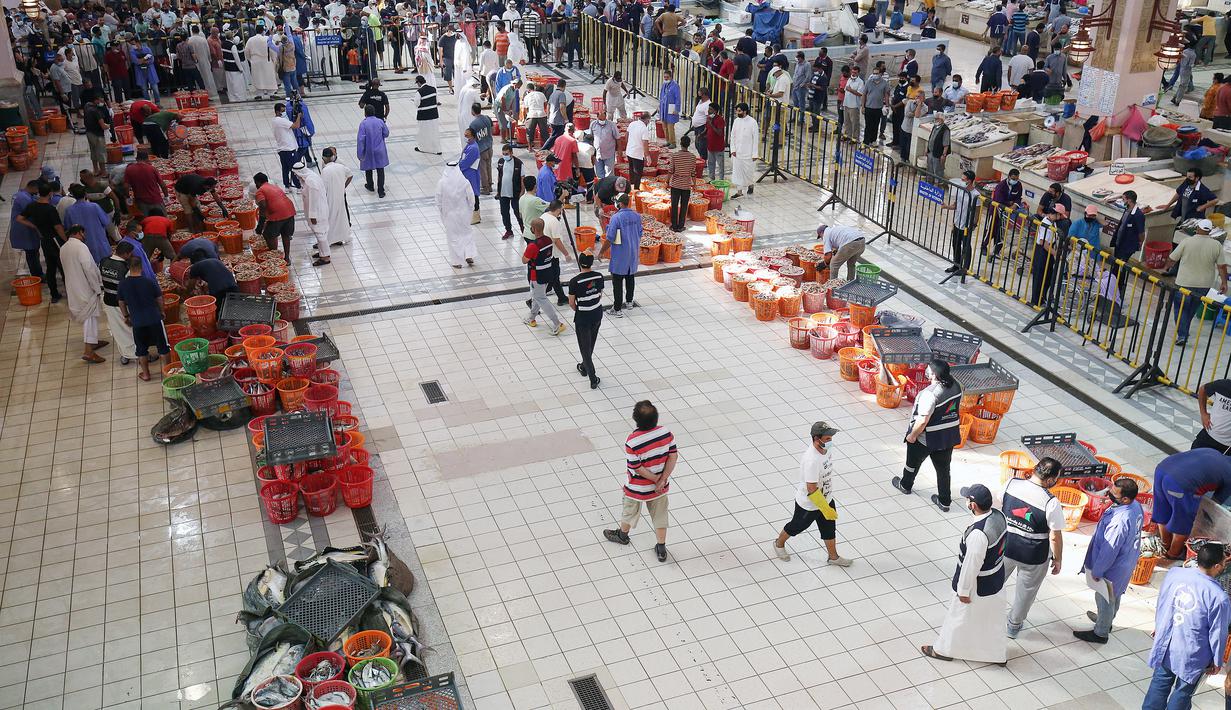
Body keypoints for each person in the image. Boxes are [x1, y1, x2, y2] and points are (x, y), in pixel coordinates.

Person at [921, 484, 1008, 665]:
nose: (966, 501)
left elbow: (971, 565)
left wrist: (963, 591)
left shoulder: (978, 534)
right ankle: (996, 655)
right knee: (993, 620)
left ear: (973, 505)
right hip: (996, 581)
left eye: (967, 499)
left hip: (978, 586)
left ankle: (943, 650)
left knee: (958, 617)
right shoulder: (999, 517)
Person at [1143, 543, 1230, 710]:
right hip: (1194, 652)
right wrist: (1217, 660)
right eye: (1224, 563)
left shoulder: (1175, 574)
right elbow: (1218, 633)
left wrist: (1159, 625)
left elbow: (1163, 601)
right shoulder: (1219, 597)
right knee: (1183, 691)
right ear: (1217, 566)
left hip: (1168, 641)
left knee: (1160, 681)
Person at [602, 401, 679, 563]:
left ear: (635, 420)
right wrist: (662, 479)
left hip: (636, 488)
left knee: (629, 511)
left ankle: (622, 536)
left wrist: (655, 479)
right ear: (656, 418)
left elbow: (637, 468)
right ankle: (661, 548)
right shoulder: (666, 433)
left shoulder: (632, 441)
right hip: (659, 489)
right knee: (660, 515)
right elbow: (673, 456)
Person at [771, 421, 854, 566]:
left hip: (826, 499)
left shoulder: (825, 450)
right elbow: (811, 489)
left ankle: (833, 557)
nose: (830, 441)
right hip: (809, 504)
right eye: (827, 439)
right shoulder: (812, 460)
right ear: (817, 438)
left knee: (829, 529)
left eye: (831, 438)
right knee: (796, 526)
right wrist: (825, 508)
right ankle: (779, 543)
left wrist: (827, 504)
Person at [1001, 457, 1065, 639]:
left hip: (1006, 547)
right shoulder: (1050, 502)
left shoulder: (1011, 484)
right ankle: (1013, 626)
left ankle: (981, 611)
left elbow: (1001, 505)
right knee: (1026, 592)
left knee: (994, 582)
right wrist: (1058, 559)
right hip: (1033, 555)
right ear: (1051, 479)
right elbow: (1054, 535)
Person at [1073, 478, 1143, 644]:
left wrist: (1098, 570)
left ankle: (1100, 632)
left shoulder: (1119, 521)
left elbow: (1109, 550)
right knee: (1115, 594)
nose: (1110, 494)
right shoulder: (1135, 506)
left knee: (1105, 597)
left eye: (1114, 494)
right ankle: (1106, 620)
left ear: (1125, 499)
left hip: (1113, 566)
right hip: (1127, 560)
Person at [893, 359, 962, 510]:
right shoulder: (957, 386)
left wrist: (912, 435)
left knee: (912, 464)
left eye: (929, 369)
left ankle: (905, 485)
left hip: (926, 438)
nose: (926, 370)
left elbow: (923, 420)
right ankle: (944, 501)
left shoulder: (929, 394)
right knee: (944, 470)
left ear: (934, 374)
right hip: (947, 437)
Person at [1152, 448, 1231, 560]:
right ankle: (1172, 555)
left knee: (1163, 512)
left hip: (1162, 469)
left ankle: (1164, 545)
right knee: (1183, 525)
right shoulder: (1230, 475)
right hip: (1180, 484)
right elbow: (1216, 504)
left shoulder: (1213, 452)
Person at [1167, 219, 1230, 346]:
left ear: (1198, 228)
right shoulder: (1216, 245)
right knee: (1191, 310)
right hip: (1203, 285)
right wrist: (1224, 283)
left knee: (1181, 310)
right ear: (1210, 230)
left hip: (1184, 283)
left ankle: (1182, 335)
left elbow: (1172, 258)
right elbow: (1222, 266)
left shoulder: (1187, 241)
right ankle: (1184, 332)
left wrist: (1167, 266)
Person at [117, 256, 169, 381]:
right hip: (153, 318)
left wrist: (126, 316)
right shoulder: (149, 281)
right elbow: (159, 298)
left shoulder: (123, 284)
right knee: (162, 346)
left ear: (128, 268)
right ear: (141, 267)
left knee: (141, 349)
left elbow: (121, 302)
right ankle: (168, 372)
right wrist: (161, 311)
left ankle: (146, 374)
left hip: (137, 321)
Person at [61, 225, 107, 363]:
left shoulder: (64, 247)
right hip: (85, 287)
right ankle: (88, 350)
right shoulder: (81, 247)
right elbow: (89, 269)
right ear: (80, 232)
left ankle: (93, 341)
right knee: (90, 317)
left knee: (89, 316)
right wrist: (97, 287)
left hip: (72, 287)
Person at [17, 183, 66, 303]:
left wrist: (34, 226)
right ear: (50, 193)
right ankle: (70, 292)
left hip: (44, 240)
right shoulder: (50, 209)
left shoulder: (32, 205)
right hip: (54, 240)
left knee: (50, 268)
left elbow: (19, 218)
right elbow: (58, 227)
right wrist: (66, 240)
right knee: (63, 267)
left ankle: (54, 294)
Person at [521, 217, 569, 336]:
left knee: (541, 298)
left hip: (536, 276)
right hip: (548, 272)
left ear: (533, 229)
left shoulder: (533, 246)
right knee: (538, 295)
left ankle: (557, 323)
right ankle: (531, 318)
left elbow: (524, 260)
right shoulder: (548, 240)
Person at [601, 193, 642, 318]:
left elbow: (610, 237)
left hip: (620, 254)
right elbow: (640, 233)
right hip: (633, 252)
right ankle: (629, 302)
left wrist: (601, 252)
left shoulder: (616, 218)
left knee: (617, 282)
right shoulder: (636, 216)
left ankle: (617, 308)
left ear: (619, 203)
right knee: (630, 277)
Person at [568, 252, 604, 390]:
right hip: (597, 314)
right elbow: (599, 295)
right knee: (591, 342)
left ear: (579, 262)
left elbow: (571, 303)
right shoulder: (599, 276)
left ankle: (592, 378)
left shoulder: (575, 281)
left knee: (584, 347)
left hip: (583, 318)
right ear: (591, 263)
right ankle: (584, 365)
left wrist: (580, 309)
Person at [100, 241, 137, 365]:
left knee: (118, 330)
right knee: (130, 329)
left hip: (108, 301)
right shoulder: (125, 268)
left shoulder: (103, 262)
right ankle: (137, 354)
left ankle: (124, 355)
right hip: (123, 305)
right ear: (126, 254)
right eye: (130, 254)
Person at [438, 164, 478, 269]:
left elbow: (438, 200)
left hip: (449, 215)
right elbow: (471, 198)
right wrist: (470, 209)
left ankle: (457, 261)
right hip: (464, 214)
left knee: (453, 238)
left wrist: (443, 212)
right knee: (467, 234)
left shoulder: (442, 183)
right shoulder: (464, 182)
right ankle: (469, 255)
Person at [292, 162, 331, 266]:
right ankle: (323, 252)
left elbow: (314, 200)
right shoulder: (309, 177)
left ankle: (325, 257)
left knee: (320, 233)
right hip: (319, 209)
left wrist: (313, 215)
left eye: (296, 174)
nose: (296, 176)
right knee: (320, 233)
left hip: (317, 211)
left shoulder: (310, 181)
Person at [63, 184, 112, 264]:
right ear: (85, 194)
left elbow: (69, 229)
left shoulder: (69, 211)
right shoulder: (94, 206)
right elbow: (106, 221)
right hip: (100, 245)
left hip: (83, 247)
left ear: (73, 196)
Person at [944, 170, 981, 274]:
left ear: (970, 181)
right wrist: (946, 206)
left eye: (963, 180)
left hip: (967, 224)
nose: (961, 181)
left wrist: (974, 224)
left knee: (965, 246)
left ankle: (965, 268)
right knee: (955, 244)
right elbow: (955, 205)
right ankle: (956, 265)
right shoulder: (960, 190)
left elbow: (977, 211)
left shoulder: (975, 195)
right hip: (957, 222)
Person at [985, 168, 1026, 259]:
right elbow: (999, 199)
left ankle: (997, 250)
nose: (1015, 181)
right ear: (1008, 177)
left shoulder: (1018, 185)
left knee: (1001, 232)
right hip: (996, 210)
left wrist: (1014, 205)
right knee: (991, 229)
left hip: (1006, 213)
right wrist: (1009, 203)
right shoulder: (1001, 185)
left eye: (1016, 179)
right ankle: (984, 246)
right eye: (1013, 178)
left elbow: (1018, 198)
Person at [254, 172, 296, 258]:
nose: (255, 186)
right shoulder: (274, 186)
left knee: (268, 235)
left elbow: (263, 206)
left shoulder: (260, 190)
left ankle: (275, 258)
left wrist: (260, 226)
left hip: (278, 214)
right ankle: (287, 258)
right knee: (285, 235)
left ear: (258, 182)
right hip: (290, 211)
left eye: (256, 183)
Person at [319, 147, 353, 252]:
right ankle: (340, 237)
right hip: (340, 195)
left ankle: (330, 239)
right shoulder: (340, 167)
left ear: (324, 158)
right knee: (341, 216)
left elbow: (323, 187)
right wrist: (343, 186)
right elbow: (350, 175)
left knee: (330, 218)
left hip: (330, 197)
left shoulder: (325, 170)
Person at [357, 104, 390, 199]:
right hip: (379, 149)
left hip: (368, 150)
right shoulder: (380, 121)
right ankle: (381, 191)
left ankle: (370, 185)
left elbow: (361, 140)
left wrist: (360, 153)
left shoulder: (363, 124)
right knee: (380, 170)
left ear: (365, 113)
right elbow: (386, 133)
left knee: (368, 168)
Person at [729, 103, 759, 199]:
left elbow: (756, 139)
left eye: (739, 111)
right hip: (737, 153)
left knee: (749, 172)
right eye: (737, 111)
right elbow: (732, 136)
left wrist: (755, 154)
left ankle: (750, 185)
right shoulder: (736, 121)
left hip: (748, 153)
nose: (737, 113)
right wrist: (733, 149)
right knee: (737, 173)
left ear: (745, 111)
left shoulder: (753, 122)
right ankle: (739, 192)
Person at [271, 103, 303, 192]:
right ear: (277, 111)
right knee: (294, 168)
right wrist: (299, 116)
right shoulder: (281, 121)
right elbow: (296, 126)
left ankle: (287, 186)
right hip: (289, 149)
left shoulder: (274, 121)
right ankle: (298, 187)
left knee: (285, 169)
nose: (284, 112)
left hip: (282, 149)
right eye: (283, 111)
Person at [495, 143, 524, 240]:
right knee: (504, 212)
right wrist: (498, 191)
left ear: (511, 153)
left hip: (515, 193)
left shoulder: (518, 163)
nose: (505, 156)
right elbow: (499, 176)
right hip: (503, 193)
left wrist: (522, 191)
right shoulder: (501, 161)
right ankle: (508, 230)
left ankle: (523, 229)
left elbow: (522, 178)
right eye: (503, 154)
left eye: (506, 153)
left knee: (518, 212)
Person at [666, 136, 694, 232]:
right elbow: (693, 173)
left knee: (674, 205)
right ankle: (681, 225)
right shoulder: (692, 157)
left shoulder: (675, 156)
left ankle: (674, 225)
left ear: (680, 144)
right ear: (689, 144)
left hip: (675, 184)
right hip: (686, 185)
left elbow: (671, 171)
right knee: (684, 205)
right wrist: (694, 184)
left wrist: (667, 182)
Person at [245, 27, 278, 101]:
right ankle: (271, 93)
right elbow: (272, 49)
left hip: (255, 60)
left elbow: (246, 51)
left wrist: (250, 59)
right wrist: (274, 59)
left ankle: (259, 94)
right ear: (263, 31)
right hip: (267, 59)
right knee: (269, 76)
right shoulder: (267, 39)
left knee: (258, 77)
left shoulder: (251, 40)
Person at [412, 75, 442, 156]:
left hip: (423, 116)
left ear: (418, 82)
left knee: (423, 132)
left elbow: (417, 104)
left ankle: (423, 148)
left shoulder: (419, 92)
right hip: (434, 114)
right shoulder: (433, 89)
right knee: (434, 132)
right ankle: (437, 149)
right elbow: (435, 101)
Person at [82, 93, 110, 177]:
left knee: (93, 152)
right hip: (97, 135)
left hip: (89, 133)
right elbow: (103, 126)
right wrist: (108, 126)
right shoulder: (97, 111)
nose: (102, 103)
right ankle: (104, 172)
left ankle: (96, 170)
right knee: (101, 153)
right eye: (101, 101)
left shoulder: (87, 106)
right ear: (96, 100)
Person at [469, 103, 494, 196]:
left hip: (481, 149)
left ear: (473, 111)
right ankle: (490, 185)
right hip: (489, 146)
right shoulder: (487, 118)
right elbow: (492, 128)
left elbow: (472, 138)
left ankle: (485, 188)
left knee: (482, 169)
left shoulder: (473, 124)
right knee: (489, 166)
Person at [459, 128, 482, 225]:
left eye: (467, 135)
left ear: (472, 136)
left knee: (473, 193)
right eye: (465, 135)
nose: (465, 137)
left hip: (471, 174)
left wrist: (458, 167)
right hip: (467, 173)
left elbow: (466, 162)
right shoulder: (469, 145)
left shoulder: (473, 148)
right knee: (468, 193)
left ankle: (475, 215)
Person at [625, 112, 651, 189]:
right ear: (647, 120)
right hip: (638, 154)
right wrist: (648, 156)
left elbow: (626, 136)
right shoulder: (644, 129)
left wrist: (629, 145)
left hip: (629, 152)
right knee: (637, 173)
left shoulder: (632, 124)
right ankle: (636, 189)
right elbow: (645, 143)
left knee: (631, 170)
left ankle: (631, 187)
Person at [223, 32, 249, 103]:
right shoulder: (232, 46)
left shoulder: (223, 44)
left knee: (230, 84)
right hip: (234, 67)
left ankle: (232, 98)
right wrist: (240, 68)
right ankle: (239, 98)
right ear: (232, 37)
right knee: (237, 84)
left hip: (227, 67)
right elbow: (236, 58)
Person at [842, 65, 864, 141]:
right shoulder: (849, 79)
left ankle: (855, 138)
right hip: (846, 103)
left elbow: (860, 93)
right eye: (852, 72)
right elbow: (846, 90)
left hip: (854, 106)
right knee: (847, 121)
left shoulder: (860, 82)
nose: (853, 73)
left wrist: (851, 90)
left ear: (858, 73)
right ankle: (847, 135)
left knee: (855, 123)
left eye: (855, 72)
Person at [925, 111, 950, 177]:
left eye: (936, 118)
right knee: (929, 169)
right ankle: (929, 182)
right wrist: (927, 149)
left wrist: (943, 155)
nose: (935, 120)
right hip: (930, 152)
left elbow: (946, 144)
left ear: (941, 119)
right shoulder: (935, 126)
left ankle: (937, 183)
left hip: (938, 154)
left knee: (937, 170)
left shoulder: (945, 130)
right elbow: (931, 138)